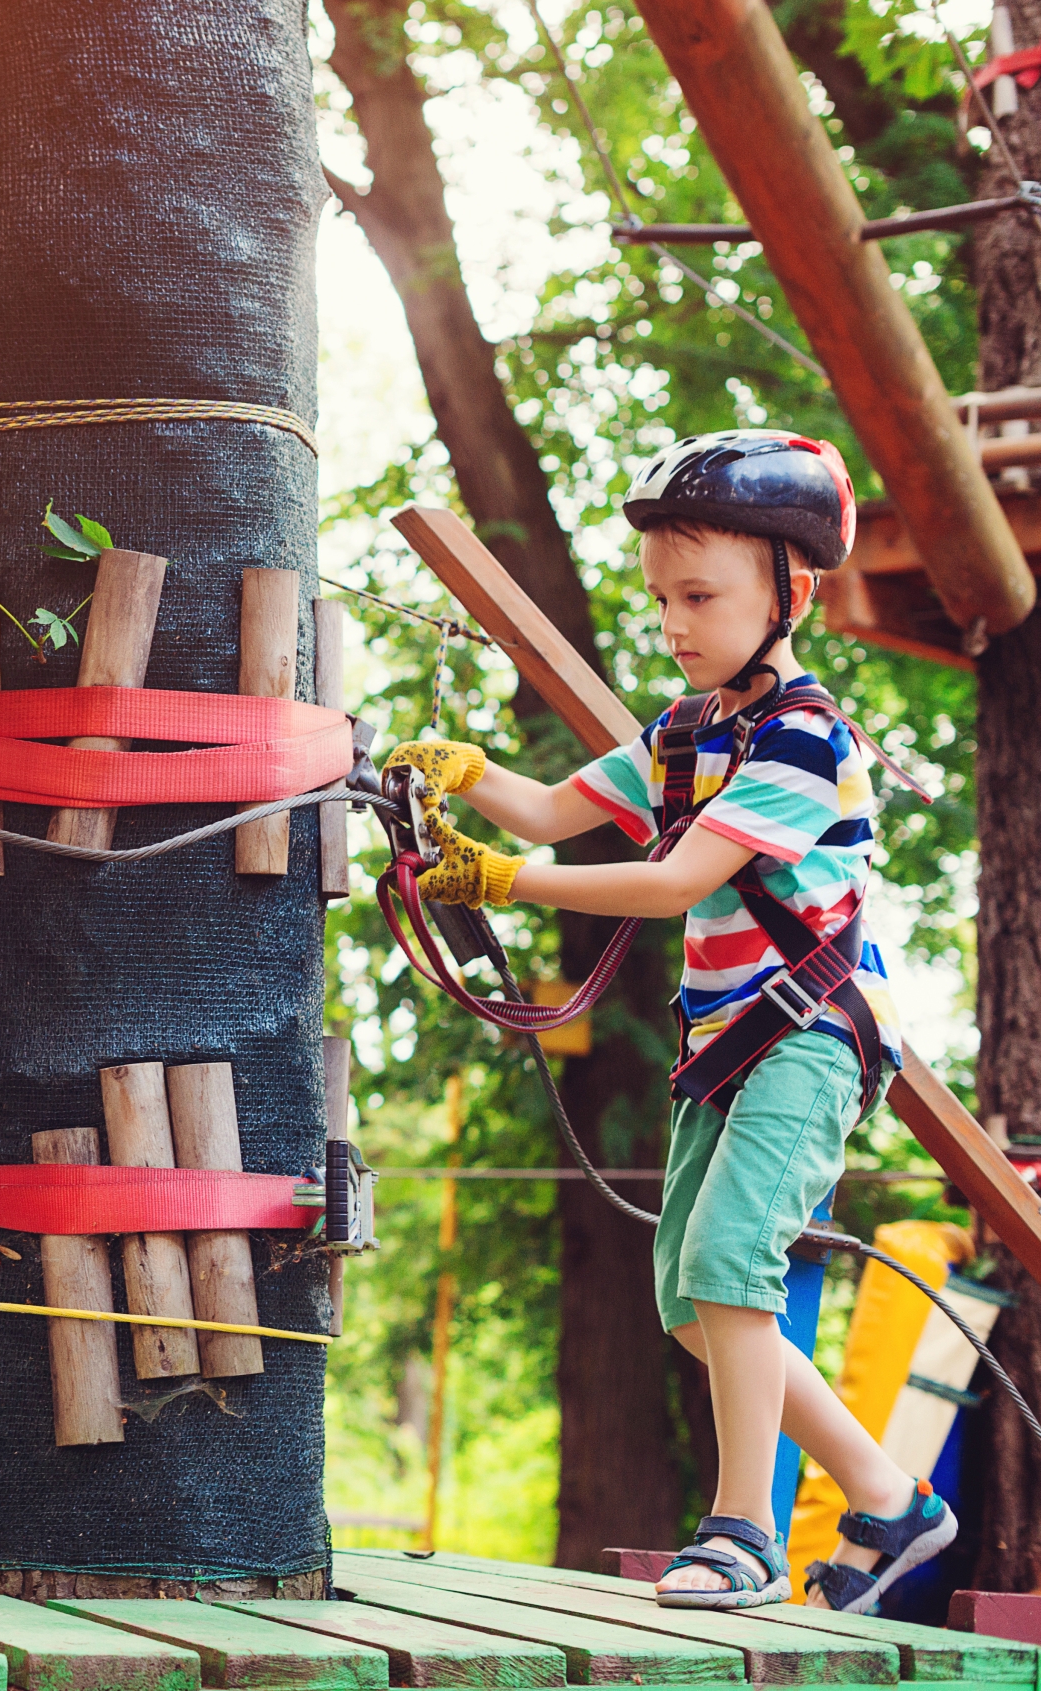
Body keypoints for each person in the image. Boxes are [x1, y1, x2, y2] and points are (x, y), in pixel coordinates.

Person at [391, 430, 952, 1615]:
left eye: (698, 595)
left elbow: (669, 883)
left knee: (728, 1264)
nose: (673, 621)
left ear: (789, 589)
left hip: (809, 1032)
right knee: (691, 1306)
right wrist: (465, 769)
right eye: (660, 598)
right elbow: (549, 811)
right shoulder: (685, 731)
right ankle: (890, 1497)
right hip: (724, 1043)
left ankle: (740, 1528)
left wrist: (502, 881)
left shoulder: (807, 736)